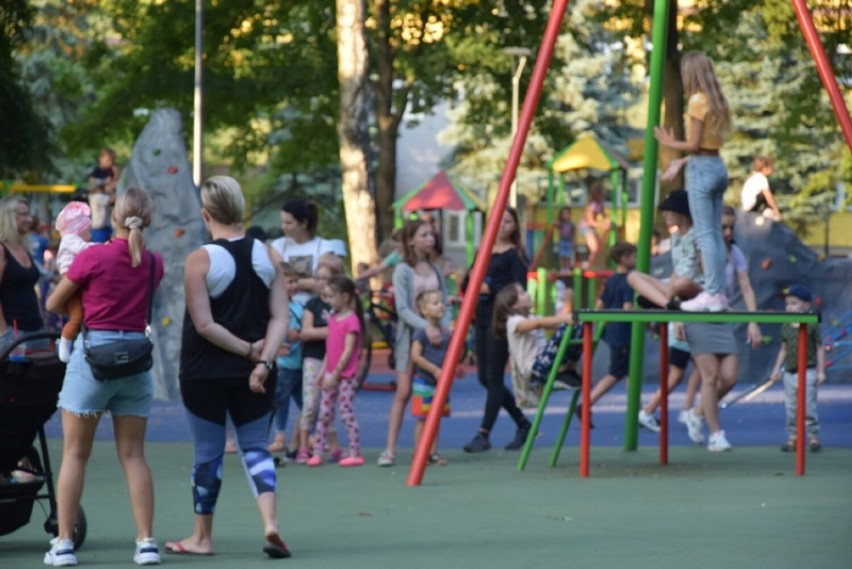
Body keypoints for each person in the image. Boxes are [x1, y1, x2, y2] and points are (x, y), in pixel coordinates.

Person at [168, 175, 291, 559]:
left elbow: (204, 325)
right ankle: (270, 523)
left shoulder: (200, 259)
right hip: (257, 373)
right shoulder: (269, 254)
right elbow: (281, 318)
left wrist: (245, 351)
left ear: (206, 214)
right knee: (256, 447)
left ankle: (201, 538)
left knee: (208, 453)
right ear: (241, 209)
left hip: (204, 372)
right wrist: (263, 360)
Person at [44, 187, 165, 566]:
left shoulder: (92, 256)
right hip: (136, 364)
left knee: (75, 454)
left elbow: (52, 302)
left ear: (114, 216)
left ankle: (64, 543)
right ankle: (146, 542)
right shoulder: (153, 262)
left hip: (93, 360)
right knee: (133, 455)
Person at [655, 51, 732, 312]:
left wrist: (668, 143)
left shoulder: (697, 101)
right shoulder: (717, 100)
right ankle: (718, 292)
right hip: (718, 167)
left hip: (702, 169)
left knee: (705, 234)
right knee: (714, 234)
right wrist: (680, 161)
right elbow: (708, 147)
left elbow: (694, 144)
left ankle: (712, 293)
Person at [378, 219, 450, 467]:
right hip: (411, 338)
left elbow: (446, 303)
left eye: (431, 234)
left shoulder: (435, 270)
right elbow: (402, 309)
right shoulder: (403, 270)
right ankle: (390, 449)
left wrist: (444, 327)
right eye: (424, 235)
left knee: (433, 390)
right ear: (411, 240)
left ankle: (430, 448)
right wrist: (426, 327)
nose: (430, 239)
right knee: (404, 391)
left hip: (435, 340)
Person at [462, 208, 532, 453]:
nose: (502, 225)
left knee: (493, 377)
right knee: (484, 378)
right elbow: (468, 282)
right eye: (498, 221)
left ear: (514, 226)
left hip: (501, 320)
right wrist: (467, 280)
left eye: (508, 221)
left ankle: (484, 434)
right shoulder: (484, 251)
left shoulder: (515, 256)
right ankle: (523, 423)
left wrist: (488, 289)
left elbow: (518, 290)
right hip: (481, 318)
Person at [306, 276, 364, 467]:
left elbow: (348, 351)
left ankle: (355, 452)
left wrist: (336, 374)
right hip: (331, 374)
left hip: (344, 376)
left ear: (345, 297)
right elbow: (330, 349)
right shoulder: (332, 318)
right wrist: (323, 372)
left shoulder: (351, 320)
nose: (328, 300)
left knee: (346, 414)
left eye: (331, 296)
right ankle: (317, 452)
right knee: (324, 414)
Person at [577, 242, 637, 423]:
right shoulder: (629, 280)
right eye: (634, 256)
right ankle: (587, 402)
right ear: (624, 259)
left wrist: (597, 323)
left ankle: (638, 409)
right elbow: (627, 308)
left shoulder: (611, 279)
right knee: (617, 372)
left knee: (630, 370)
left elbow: (600, 303)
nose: (636, 259)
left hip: (612, 330)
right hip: (623, 332)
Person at [493, 282, 581, 402]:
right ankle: (559, 372)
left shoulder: (532, 317)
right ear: (513, 305)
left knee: (577, 329)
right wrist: (565, 318)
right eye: (522, 293)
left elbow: (554, 323)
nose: (528, 294)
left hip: (544, 364)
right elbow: (538, 324)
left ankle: (566, 370)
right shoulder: (513, 322)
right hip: (535, 370)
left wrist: (570, 307)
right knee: (565, 329)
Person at [296, 254, 345, 463]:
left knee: (329, 404)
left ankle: (333, 444)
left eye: (326, 278)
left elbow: (350, 330)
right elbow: (306, 332)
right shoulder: (313, 305)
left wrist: (336, 331)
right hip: (313, 358)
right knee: (310, 404)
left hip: (334, 360)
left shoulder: (339, 306)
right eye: (318, 278)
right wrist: (333, 330)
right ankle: (303, 445)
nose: (321, 283)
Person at [768, 285, 825, 452]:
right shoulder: (786, 325)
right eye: (787, 304)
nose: (789, 307)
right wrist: (776, 369)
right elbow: (784, 348)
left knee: (808, 405)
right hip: (791, 372)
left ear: (806, 306)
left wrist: (821, 371)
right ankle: (793, 438)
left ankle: (813, 436)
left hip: (808, 371)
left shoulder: (811, 324)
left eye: (794, 303)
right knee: (791, 407)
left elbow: (819, 347)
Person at [627, 190, 702, 310]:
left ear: (680, 211)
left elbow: (702, 267)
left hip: (695, 287)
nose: (664, 214)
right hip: (675, 286)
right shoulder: (675, 237)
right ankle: (667, 304)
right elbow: (677, 269)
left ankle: (661, 299)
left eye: (668, 210)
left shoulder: (699, 235)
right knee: (633, 276)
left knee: (681, 283)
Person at [409, 289, 453, 465]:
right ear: (424, 310)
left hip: (440, 382)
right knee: (423, 418)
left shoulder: (445, 332)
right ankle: (420, 451)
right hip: (425, 382)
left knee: (436, 418)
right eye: (435, 303)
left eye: (441, 302)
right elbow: (416, 356)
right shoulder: (421, 332)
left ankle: (432, 452)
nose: (441, 305)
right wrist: (434, 370)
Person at [269, 199, 333, 306]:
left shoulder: (323, 246)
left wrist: (291, 282)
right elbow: (279, 280)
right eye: (283, 222)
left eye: (288, 223)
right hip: (286, 307)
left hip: (316, 307)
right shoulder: (278, 246)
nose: (283, 227)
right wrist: (310, 283)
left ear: (303, 223)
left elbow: (325, 283)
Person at [268, 263, 304, 455]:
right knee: (280, 400)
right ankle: (279, 436)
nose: (294, 286)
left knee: (304, 402)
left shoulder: (298, 306)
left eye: (296, 281)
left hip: (298, 363)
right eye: (290, 282)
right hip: (284, 365)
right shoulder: (275, 306)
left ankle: (306, 437)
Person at [0, 197, 43, 353]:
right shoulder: (2, 250)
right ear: (10, 217)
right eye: (24, 215)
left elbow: (31, 288)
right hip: (14, 332)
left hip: (37, 330)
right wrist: (4, 333)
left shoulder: (24, 248)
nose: (29, 219)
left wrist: (42, 319)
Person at [54, 201, 94, 362]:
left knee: (83, 314)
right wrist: (102, 248)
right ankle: (64, 345)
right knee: (77, 315)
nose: (90, 231)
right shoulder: (70, 239)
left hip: (76, 278)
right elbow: (84, 250)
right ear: (79, 228)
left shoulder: (72, 239)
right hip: (70, 278)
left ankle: (74, 341)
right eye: (88, 228)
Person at [86, 147, 121, 243]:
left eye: (112, 161)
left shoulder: (109, 172)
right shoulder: (96, 194)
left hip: (107, 227)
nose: (110, 163)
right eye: (107, 160)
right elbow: (94, 185)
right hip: (99, 229)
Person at [578, 181, 611, 269]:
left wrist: (607, 220)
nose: (602, 196)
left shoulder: (600, 203)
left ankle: (597, 266)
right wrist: (602, 225)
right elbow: (590, 221)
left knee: (600, 248)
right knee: (595, 248)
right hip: (586, 227)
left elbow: (603, 214)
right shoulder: (591, 205)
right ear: (596, 194)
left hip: (592, 228)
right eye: (600, 194)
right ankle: (592, 267)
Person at [741, 156, 782, 221]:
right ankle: (768, 212)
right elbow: (768, 196)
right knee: (770, 190)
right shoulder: (761, 178)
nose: (773, 169)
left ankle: (764, 211)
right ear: (765, 168)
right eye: (771, 167)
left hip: (747, 206)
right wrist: (775, 210)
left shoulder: (754, 176)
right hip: (751, 206)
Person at [553, 206, 576, 273]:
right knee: (562, 255)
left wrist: (574, 242)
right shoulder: (561, 223)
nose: (566, 216)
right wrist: (557, 219)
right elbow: (554, 223)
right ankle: (562, 268)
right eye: (564, 214)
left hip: (569, 242)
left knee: (568, 256)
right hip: (562, 242)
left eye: (567, 214)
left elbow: (573, 234)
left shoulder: (571, 224)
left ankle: (567, 268)